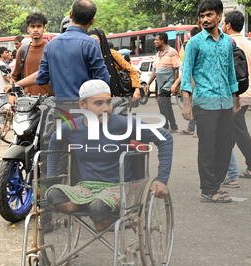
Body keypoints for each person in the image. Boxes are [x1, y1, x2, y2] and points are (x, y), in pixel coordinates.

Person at [46, 80, 173, 232]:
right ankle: (95, 209)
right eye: (98, 103)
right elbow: (54, 145)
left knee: (98, 207)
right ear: (82, 105)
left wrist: (162, 179)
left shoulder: (123, 124)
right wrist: (51, 177)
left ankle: (103, 216)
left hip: (119, 188)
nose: (106, 108)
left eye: (108, 102)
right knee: (52, 193)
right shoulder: (70, 128)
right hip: (85, 188)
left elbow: (165, 137)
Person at [181, 0, 239, 203]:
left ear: (219, 16)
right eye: (202, 16)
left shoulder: (226, 42)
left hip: (225, 102)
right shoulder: (194, 43)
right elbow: (186, 72)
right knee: (207, 147)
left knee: (225, 145)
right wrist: (187, 103)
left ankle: (216, 183)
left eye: (209, 15)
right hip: (204, 103)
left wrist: (234, 98)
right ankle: (208, 189)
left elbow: (230, 72)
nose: (205, 19)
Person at [10, 0, 110, 99]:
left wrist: (58, 96)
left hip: (59, 109)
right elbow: (103, 81)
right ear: (92, 21)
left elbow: (41, 79)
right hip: (85, 109)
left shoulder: (51, 45)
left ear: (71, 14)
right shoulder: (91, 43)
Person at [221, 10, 251, 188]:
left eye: (223, 23)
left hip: (233, 96)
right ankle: (230, 167)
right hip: (247, 93)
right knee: (233, 131)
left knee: (237, 131)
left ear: (229, 25)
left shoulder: (226, 43)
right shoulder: (250, 45)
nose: (221, 26)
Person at [87, 28, 142, 102]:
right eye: (90, 41)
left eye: (96, 41)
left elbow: (131, 70)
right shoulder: (87, 57)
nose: (94, 43)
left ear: (102, 40)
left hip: (116, 97)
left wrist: (137, 89)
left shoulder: (113, 54)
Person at [145, 32, 181, 133]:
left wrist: (175, 85)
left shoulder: (172, 52)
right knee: (167, 105)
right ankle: (174, 126)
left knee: (162, 103)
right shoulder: (157, 54)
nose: (154, 42)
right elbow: (155, 71)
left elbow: (176, 70)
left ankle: (165, 126)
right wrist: (148, 83)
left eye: (156, 40)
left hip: (169, 83)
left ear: (162, 41)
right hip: (159, 84)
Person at [172, 26, 202, 136]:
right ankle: (193, 128)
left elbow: (187, 72)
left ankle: (196, 129)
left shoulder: (191, 47)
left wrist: (176, 83)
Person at [11, 12, 49, 97]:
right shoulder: (22, 51)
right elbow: (14, 77)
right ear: (28, 29)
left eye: (39, 26)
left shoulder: (51, 49)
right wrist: (12, 95)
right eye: (32, 26)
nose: (35, 30)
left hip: (49, 100)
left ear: (44, 28)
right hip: (28, 102)